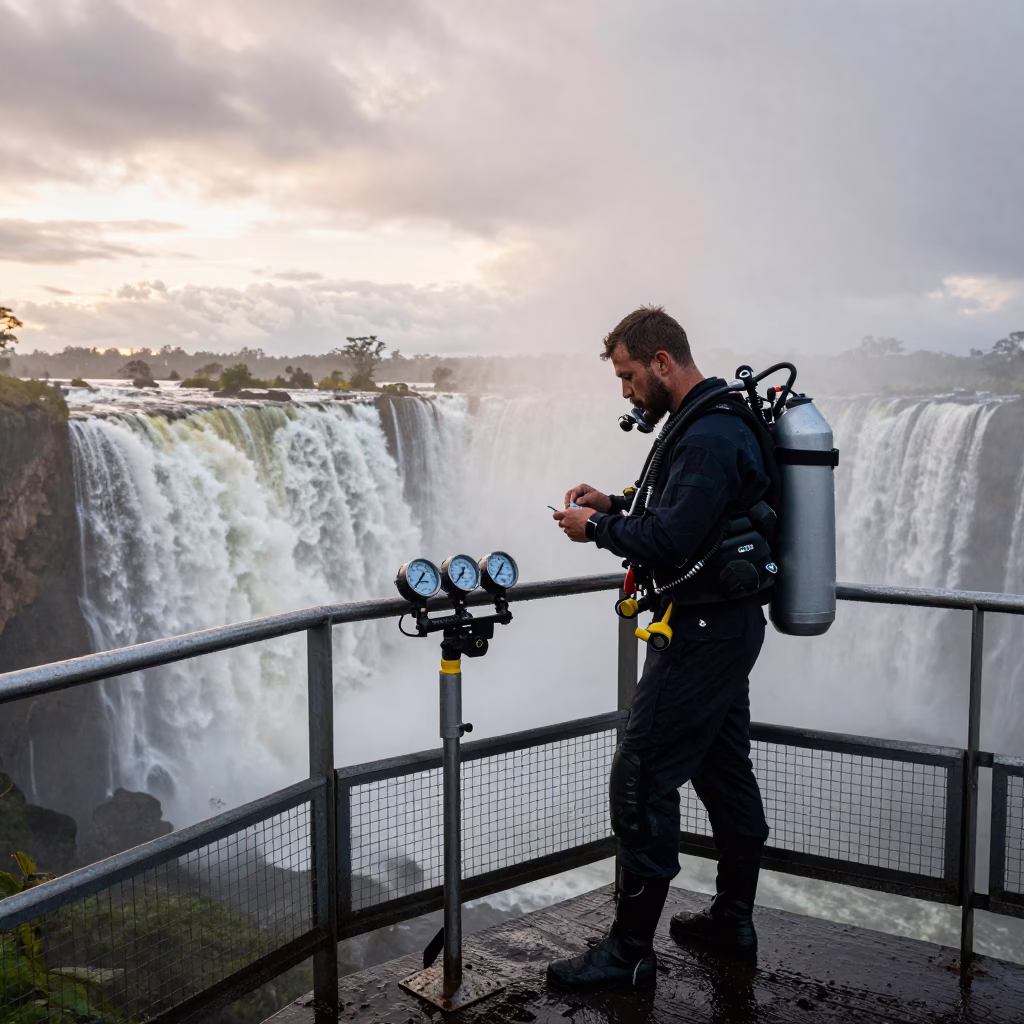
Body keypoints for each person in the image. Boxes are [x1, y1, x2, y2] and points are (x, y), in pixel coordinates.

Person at [547, 305, 773, 991]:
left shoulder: (707, 434)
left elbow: (673, 541)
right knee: (723, 771)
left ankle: (629, 953)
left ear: (662, 363)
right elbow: (690, 512)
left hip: (702, 635)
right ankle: (733, 918)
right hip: (724, 628)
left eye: (627, 377)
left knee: (641, 775)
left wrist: (596, 531)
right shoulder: (707, 420)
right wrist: (614, 503)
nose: (625, 391)